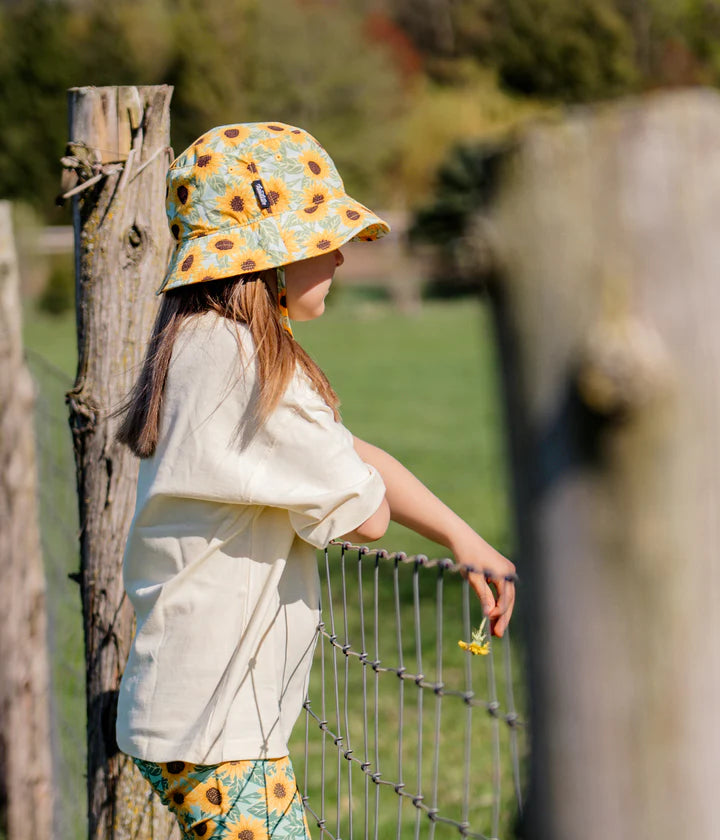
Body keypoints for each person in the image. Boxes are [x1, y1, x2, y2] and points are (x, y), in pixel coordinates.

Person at [115, 121, 516, 840]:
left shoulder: (207, 345)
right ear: (264, 261)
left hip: (199, 718)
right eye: (318, 239)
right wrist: (407, 511)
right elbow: (364, 514)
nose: (337, 254)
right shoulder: (241, 368)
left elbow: (349, 453)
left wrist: (460, 536)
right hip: (218, 734)